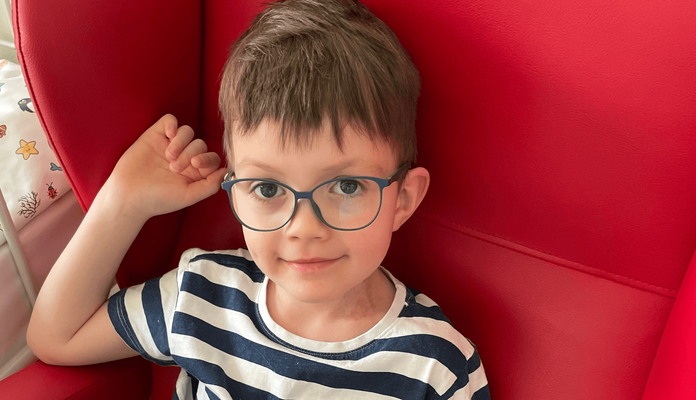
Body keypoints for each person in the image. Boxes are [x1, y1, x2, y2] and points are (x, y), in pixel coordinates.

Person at [27, 0, 490, 398]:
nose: (304, 228)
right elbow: (56, 337)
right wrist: (122, 201)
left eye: (346, 187)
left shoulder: (435, 366)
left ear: (403, 198)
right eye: (268, 189)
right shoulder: (202, 296)